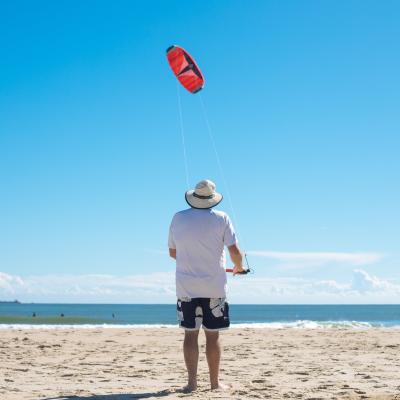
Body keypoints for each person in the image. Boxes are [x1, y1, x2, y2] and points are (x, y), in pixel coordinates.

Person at [168, 179, 244, 392]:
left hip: (186, 288)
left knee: (190, 335)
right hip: (214, 288)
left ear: (194, 198)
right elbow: (235, 252)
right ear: (212, 199)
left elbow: (173, 252)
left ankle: (191, 384)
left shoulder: (178, 218)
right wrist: (238, 267)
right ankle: (214, 384)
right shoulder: (222, 218)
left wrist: (192, 261)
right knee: (213, 335)